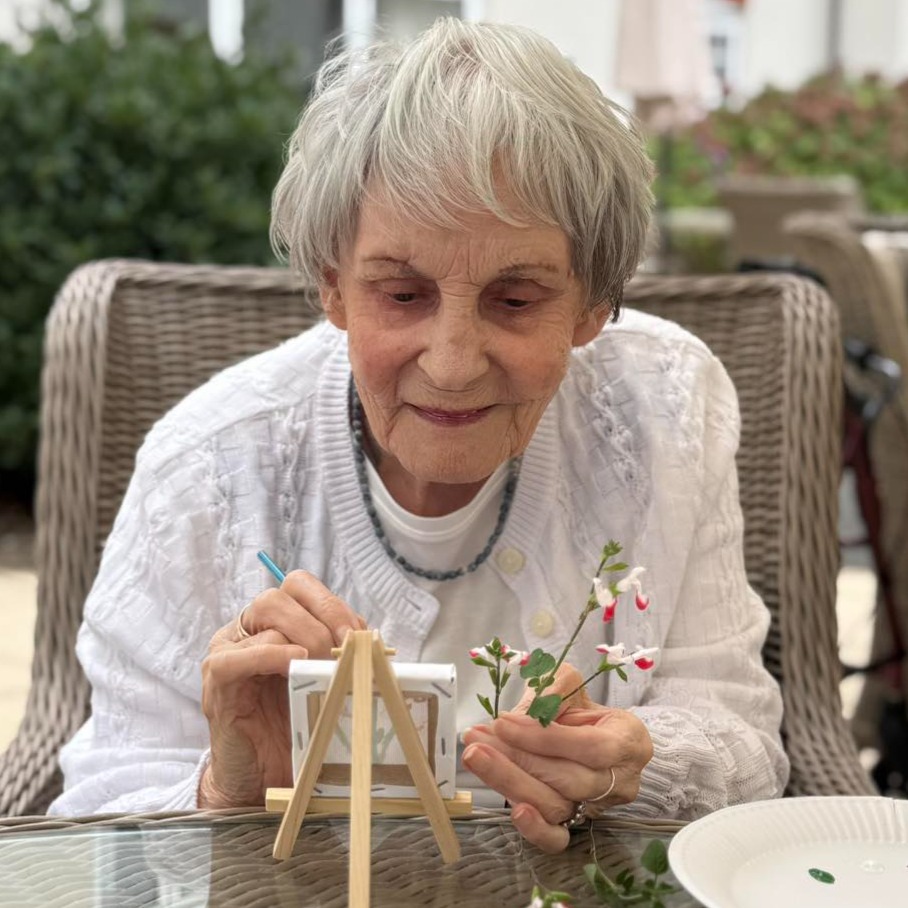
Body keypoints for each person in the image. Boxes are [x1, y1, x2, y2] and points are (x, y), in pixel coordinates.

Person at [49, 18, 788, 852]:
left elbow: (745, 742)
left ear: (591, 306)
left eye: (515, 300)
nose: (452, 363)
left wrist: (635, 765)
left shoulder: (668, 408)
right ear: (333, 287)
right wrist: (227, 790)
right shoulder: (209, 465)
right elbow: (94, 816)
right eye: (402, 294)